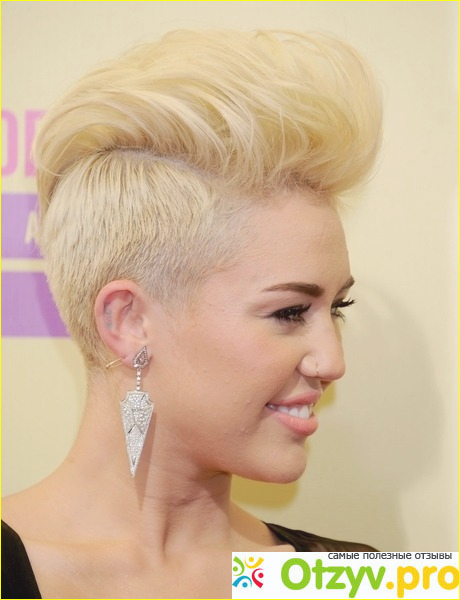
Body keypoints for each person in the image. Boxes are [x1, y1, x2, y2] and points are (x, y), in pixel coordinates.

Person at [1, 29, 382, 599]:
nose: (333, 361)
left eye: (338, 307)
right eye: (289, 311)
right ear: (129, 322)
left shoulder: (362, 578)